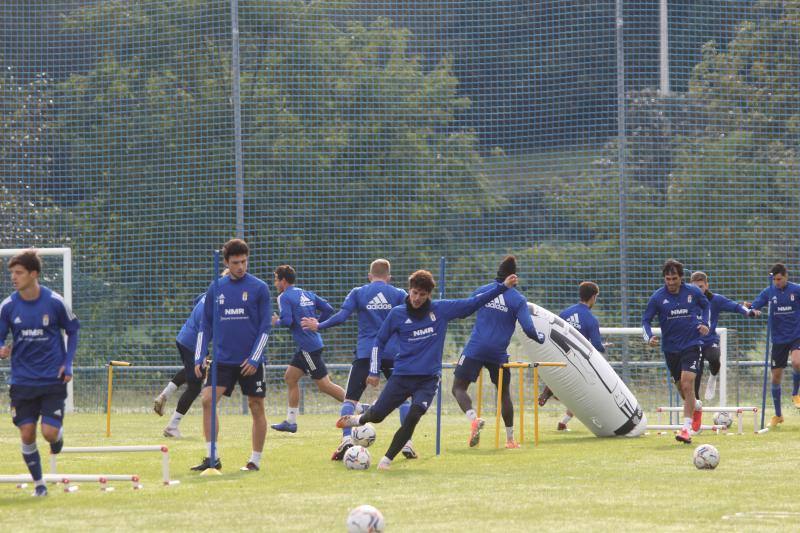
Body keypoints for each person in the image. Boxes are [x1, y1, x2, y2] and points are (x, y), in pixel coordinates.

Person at [337, 268, 519, 471]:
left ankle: (386, 460)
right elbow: (379, 341)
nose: (417, 298)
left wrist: (502, 288)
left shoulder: (440, 310)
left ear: (428, 295)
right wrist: (373, 371)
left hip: (428, 379)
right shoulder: (397, 314)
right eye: (414, 293)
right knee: (378, 415)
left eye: (422, 295)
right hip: (402, 376)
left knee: (414, 416)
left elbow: (473, 303)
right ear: (410, 290)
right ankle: (360, 418)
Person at [301, 259, 413, 460]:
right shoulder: (399, 294)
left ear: (369, 276)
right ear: (388, 278)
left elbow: (342, 317)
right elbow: (411, 318)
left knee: (350, 399)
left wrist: (319, 325)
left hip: (365, 353)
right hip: (392, 353)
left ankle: (346, 439)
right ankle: (407, 442)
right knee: (404, 398)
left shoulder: (358, 292)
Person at [0, 250, 80, 497]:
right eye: (12, 273)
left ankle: (57, 435)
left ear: (33, 274)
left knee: (49, 433)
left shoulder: (55, 302)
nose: (14, 277)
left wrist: (67, 364)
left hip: (51, 378)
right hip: (22, 380)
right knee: (26, 432)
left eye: (19, 273)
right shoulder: (8, 306)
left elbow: (73, 330)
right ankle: (40, 485)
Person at [191, 239, 272, 472]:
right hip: (222, 359)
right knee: (207, 400)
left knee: (256, 406)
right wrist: (199, 357)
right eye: (236, 262)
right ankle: (211, 458)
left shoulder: (259, 288)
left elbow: (265, 327)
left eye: (244, 262)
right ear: (226, 262)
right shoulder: (216, 288)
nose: (240, 267)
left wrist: (255, 358)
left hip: (250, 361)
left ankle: (254, 461)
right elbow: (204, 326)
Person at [451, 256, 544, 449]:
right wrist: (540, 338)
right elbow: (527, 328)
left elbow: (465, 309)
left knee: (458, 388)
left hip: (475, 348)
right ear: (514, 276)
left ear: (497, 273)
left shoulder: (482, 290)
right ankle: (510, 439)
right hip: (498, 354)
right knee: (503, 394)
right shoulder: (518, 299)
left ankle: (474, 419)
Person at [270, 265, 346, 433]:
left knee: (324, 385)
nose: (275, 283)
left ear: (283, 280)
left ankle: (357, 406)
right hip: (309, 345)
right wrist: (317, 323)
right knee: (290, 377)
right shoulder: (306, 293)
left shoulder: (284, 297)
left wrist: (276, 322)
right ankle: (291, 422)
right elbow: (328, 309)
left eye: (276, 280)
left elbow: (288, 321)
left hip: (308, 348)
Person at [153, 269, 228, 438]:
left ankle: (165, 394)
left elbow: (196, 302)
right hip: (194, 343)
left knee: (189, 372)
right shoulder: (221, 303)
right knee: (194, 387)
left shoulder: (208, 293)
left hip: (183, 337)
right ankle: (172, 427)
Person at [642, 259, 710, 444]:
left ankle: (686, 429)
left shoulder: (693, 291)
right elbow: (646, 320)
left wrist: (705, 323)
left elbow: (706, 306)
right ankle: (696, 406)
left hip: (692, 344)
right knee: (682, 389)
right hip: (671, 349)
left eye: (674, 278)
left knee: (688, 384)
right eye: (668, 279)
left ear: (681, 278)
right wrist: (648, 337)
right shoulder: (657, 297)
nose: (671, 283)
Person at [539, 281, 605, 431]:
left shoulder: (564, 314)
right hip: (578, 364)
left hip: (560, 358)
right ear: (593, 297)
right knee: (583, 396)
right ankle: (557, 396)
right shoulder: (591, 319)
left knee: (575, 394)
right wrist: (604, 347)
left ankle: (561, 419)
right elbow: (596, 345)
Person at [746, 263, 800, 428]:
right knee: (776, 377)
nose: (777, 282)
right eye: (774, 279)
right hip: (778, 340)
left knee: (798, 362)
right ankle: (778, 415)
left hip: (796, 336)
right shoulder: (768, 292)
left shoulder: (796, 290)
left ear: (786, 276)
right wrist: (750, 309)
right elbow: (755, 307)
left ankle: (796, 393)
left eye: (779, 279)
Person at [689, 271, 755, 401]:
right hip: (692, 342)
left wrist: (748, 312)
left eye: (701, 286)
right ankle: (695, 410)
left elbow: (734, 306)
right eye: (695, 287)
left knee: (714, 357)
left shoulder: (716, 300)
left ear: (707, 285)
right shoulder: (687, 300)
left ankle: (713, 377)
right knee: (696, 374)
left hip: (709, 340)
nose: (698, 290)